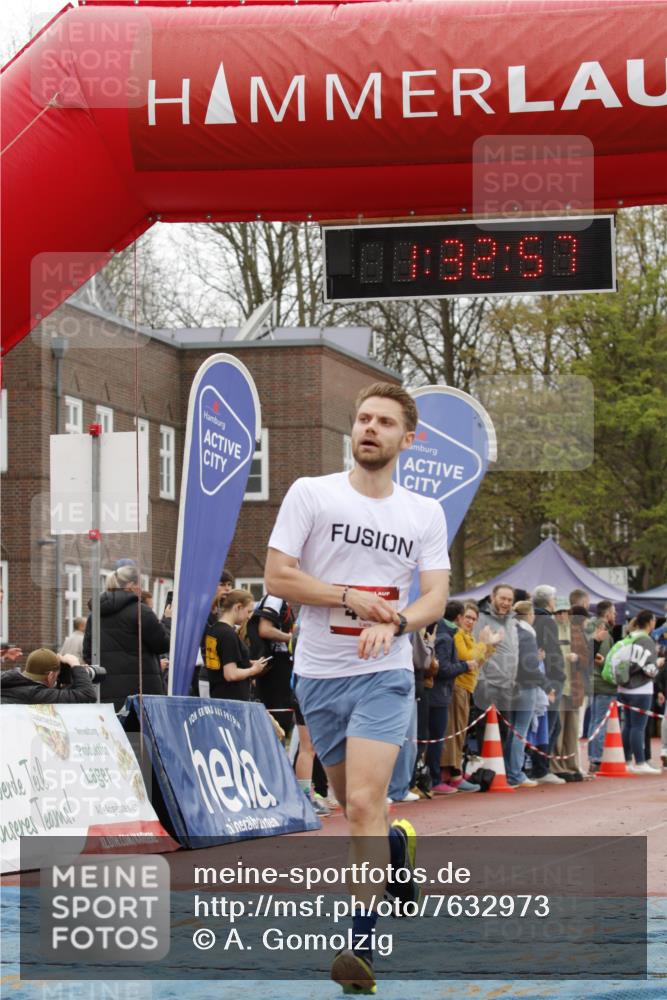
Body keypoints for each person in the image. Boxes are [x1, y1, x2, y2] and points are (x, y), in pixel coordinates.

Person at [264, 381, 449, 995]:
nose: (370, 428)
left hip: (386, 671)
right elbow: (278, 576)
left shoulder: (423, 512)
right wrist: (347, 596)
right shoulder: (311, 493)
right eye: (364, 418)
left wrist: (394, 621)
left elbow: (435, 596)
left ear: (407, 439)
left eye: (385, 422)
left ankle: (360, 946)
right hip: (318, 672)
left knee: (364, 806)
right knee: (352, 805)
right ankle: (397, 846)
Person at [83, 564, 171, 711]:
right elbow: (163, 644)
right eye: (140, 585)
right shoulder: (141, 612)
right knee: (138, 734)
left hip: (106, 694)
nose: (141, 589)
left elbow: (88, 654)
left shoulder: (95, 615)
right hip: (141, 695)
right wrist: (167, 620)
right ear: (131, 585)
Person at [507, 601, 554, 787]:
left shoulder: (512, 631)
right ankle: (515, 773)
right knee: (520, 731)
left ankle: (512, 770)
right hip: (526, 686)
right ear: (529, 615)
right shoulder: (526, 634)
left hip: (513, 685)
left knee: (514, 730)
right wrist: (546, 685)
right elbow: (528, 665)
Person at [429, 601, 472, 793]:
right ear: (459, 617)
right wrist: (465, 666)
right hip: (439, 694)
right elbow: (443, 669)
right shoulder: (446, 637)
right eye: (467, 617)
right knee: (435, 738)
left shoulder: (446, 634)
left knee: (437, 737)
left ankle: (440, 775)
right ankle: (435, 778)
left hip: (441, 693)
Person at [615, 609, 663, 773]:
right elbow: (649, 669)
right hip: (640, 688)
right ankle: (641, 762)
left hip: (624, 687)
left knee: (628, 725)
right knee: (638, 727)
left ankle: (628, 760)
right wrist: (658, 665)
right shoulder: (646, 640)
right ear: (650, 622)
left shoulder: (629, 637)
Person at [204, 589, 270, 701]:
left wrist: (246, 663)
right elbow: (231, 674)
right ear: (237, 607)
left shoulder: (214, 630)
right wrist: (253, 670)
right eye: (248, 611)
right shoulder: (228, 635)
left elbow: (222, 661)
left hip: (218, 695)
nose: (249, 617)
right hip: (232, 699)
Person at [531, 585, 566, 784]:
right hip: (551, 678)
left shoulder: (534, 619)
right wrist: (557, 675)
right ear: (548, 601)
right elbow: (551, 650)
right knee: (549, 724)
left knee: (551, 724)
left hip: (546, 676)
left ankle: (541, 765)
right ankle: (541, 768)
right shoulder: (546, 621)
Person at [0, 649, 96, 704]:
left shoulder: (6, 681)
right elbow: (87, 695)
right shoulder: (36, 694)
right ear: (50, 676)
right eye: (56, 675)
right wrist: (75, 665)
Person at [588, 600, 618, 773]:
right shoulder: (603, 632)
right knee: (599, 722)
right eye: (613, 614)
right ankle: (596, 759)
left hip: (592, 682)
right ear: (607, 614)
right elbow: (605, 660)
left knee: (594, 722)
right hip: (602, 682)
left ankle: (594, 757)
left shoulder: (589, 627)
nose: (615, 617)